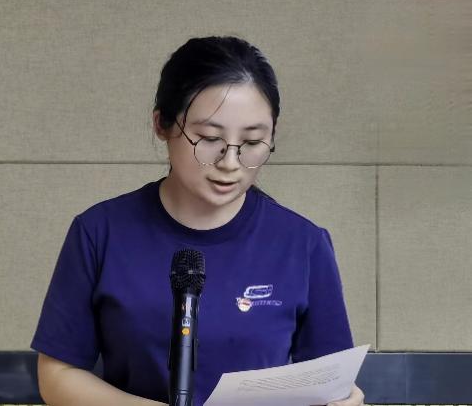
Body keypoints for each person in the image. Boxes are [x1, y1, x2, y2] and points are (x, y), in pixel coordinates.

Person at [30, 36, 365, 406]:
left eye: (253, 142)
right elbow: (57, 375)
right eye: (209, 138)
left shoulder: (303, 244)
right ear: (162, 124)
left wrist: (342, 398)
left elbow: (330, 378)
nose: (230, 163)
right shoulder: (100, 232)